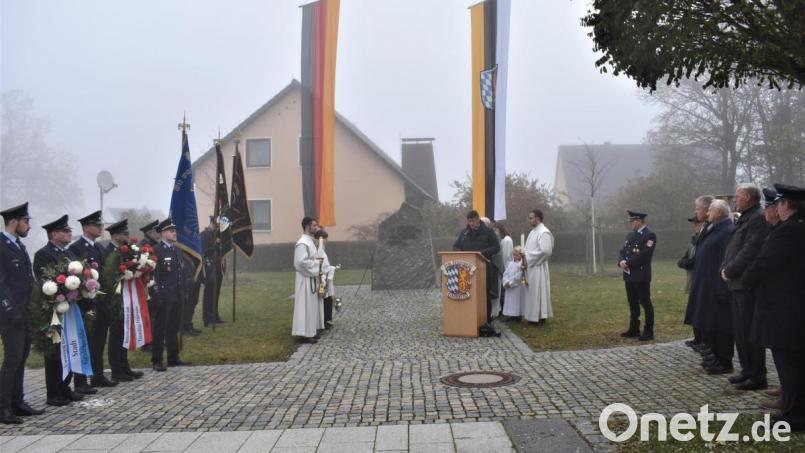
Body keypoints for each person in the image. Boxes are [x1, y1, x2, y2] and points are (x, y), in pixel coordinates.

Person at [742, 183, 805, 432]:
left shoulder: (788, 231)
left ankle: (793, 417)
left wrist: (747, 280)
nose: (777, 208)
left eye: (779, 203)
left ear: (787, 205)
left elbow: (764, 263)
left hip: (785, 310)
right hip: (794, 308)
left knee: (790, 367)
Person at [32, 215, 85, 407]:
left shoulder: (69, 254)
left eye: (69, 230)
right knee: (54, 351)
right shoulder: (43, 254)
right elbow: (44, 281)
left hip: (69, 308)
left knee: (69, 346)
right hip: (52, 309)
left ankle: (65, 388)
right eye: (65, 231)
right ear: (54, 234)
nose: (69, 233)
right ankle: (53, 392)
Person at [720, 183, 768, 390]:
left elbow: (750, 250)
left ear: (748, 197)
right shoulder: (745, 217)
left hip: (744, 284)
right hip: (735, 284)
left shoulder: (757, 218)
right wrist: (725, 267)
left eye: (738, 196)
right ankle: (747, 370)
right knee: (740, 331)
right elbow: (734, 248)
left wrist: (730, 270)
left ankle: (757, 375)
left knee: (749, 331)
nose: (735, 200)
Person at [0, 202, 42, 424]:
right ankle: (3, 407)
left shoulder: (19, 245)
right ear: (14, 222)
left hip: (25, 312)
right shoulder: (1, 244)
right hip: (10, 314)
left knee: (21, 358)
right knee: (12, 359)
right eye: (26, 221)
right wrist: (10, 309)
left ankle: (18, 402)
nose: (29, 226)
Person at [68, 210, 115, 391]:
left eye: (101, 225)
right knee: (84, 340)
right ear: (86, 227)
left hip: (100, 301)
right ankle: (80, 380)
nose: (100, 228)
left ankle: (97, 375)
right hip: (85, 303)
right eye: (97, 225)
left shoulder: (98, 247)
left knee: (99, 340)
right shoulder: (76, 248)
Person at [690, 199, 735, 374]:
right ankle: (715, 356)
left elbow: (725, 259)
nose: (707, 213)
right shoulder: (713, 229)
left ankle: (724, 360)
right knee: (712, 323)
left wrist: (722, 286)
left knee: (722, 326)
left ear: (719, 213)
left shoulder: (727, 231)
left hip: (718, 285)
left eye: (710, 210)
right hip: (707, 285)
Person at [102, 219, 143, 382]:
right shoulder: (109, 251)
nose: (127, 236)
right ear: (116, 236)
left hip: (126, 297)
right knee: (116, 334)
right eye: (125, 234)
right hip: (114, 299)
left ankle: (124, 367)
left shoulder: (124, 251)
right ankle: (116, 370)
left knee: (124, 332)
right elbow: (109, 275)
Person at [151, 218, 192, 371]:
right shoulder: (156, 250)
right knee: (160, 328)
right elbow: (155, 276)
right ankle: (156, 359)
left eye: (175, 230)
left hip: (177, 295)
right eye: (171, 231)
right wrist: (158, 295)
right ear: (162, 233)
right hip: (164, 296)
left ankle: (173, 357)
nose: (174, 233)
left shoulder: (176, 250)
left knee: (173, 328)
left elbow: (179, 273)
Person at [452, 210, 500, 331]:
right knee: (468, 293)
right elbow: (456, 246)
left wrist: (481, 253)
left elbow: (496, 247)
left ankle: (486, 319)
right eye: (469, 221)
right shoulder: (464, 233)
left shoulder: (488, 232)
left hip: (483, 267)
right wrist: (459, 252)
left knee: (484, 294)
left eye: (473, 221)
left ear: (478, 219)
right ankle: (469, 318)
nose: (471, 223)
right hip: (466, 269)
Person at [618, 210, 656, 341]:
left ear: (639, 221)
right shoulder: (630, 235)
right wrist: (621, 261)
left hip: (641, 275)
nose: (631, 224)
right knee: (632, 303)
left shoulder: (649, 235)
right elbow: (623, 251)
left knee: (645, 303)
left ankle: (648, 331)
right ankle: (634, 329)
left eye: (632, 221)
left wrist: (628, 262)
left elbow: (644, 255)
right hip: (629, 275)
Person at [683, 196, 714, 351]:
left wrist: (688, 263)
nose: (694, 226)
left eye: (697, 209)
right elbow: (688, 256)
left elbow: (695, 259)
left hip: (705, 280)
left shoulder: (709, 233)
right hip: (695, 279)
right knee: (696, 309)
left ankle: (705, 343)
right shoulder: (696, 238)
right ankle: (700, 340)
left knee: (703, 312)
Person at [293, 217, 322, 343]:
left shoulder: (310, 241)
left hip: (310, 278)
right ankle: (304, 333)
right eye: (314, 225)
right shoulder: (302, 243)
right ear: (307, 226)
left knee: (311, 306)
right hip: (305, 279)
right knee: (304, 306)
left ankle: (310, 331)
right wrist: (317, 264)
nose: (316, 227)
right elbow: (300, 262)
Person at [523, 209, 554, 325]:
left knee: (539, 292)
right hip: (532, 266)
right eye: (529, 218)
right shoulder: (533, 231)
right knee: (532, 292)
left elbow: (546, 251)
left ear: (538, 218)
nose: (529, 220)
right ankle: (532, 316)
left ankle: (540, 316)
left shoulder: (543, 232)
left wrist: (528, 257)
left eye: (531, 218)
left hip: (538, 267)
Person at [201, 217, 226, 327]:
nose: (218, 227)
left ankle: (215, 316)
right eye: (217, 225)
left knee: (216, 293)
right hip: (209, 268)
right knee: (209, 294)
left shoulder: (216, 235)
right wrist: (214, 248)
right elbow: (203, 252)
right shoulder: (205, 235)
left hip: (217, 267)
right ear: (212, 223)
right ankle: (208, 318)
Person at [314, 229, 337, 329]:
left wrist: (332, 268)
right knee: (324, 299)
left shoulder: (322, 250)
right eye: (325, 239)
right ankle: (323, 321)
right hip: (322, 280)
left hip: (326, 278)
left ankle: (327, 319)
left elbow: (326, 265)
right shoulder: (319, 251)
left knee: (328, 299)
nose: (327, 241)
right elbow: (321, 267)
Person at [482, 217, 504, 319]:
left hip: (494, 265)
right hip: (486, 264)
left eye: (483, 224)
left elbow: (497, 250)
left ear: (487, 224)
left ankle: (495, 311)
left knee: (495, 290)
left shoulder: (494, 234)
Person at [493, 221, 513, 316]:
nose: (494, 232)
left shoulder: (506, 240)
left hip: (506, 266)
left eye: (496, 229)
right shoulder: (502, 239)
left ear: (500, 230)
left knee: (505, 289)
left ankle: (505, 310)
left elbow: (505, 255)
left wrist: (503, 269)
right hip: (504, 266)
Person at [501, 246, 525, 320]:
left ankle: (517, 315)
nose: (515, 256)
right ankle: (511, 315)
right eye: (514, 254)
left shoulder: (521, 265)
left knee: (516, 301)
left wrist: (511, 282)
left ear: (521, 255)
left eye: (517, 255)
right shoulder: (510, 264)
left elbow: (519, 275)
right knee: (510, 301)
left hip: (516, 286)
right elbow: (506, 273)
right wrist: (506, 281)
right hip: (509, 285)